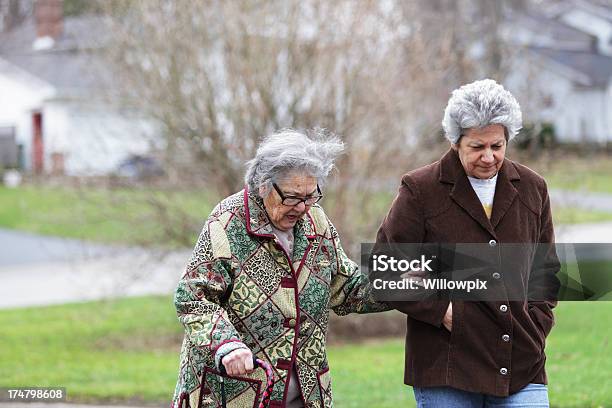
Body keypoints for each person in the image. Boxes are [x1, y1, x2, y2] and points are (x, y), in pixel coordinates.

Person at [376, 79, 560, 407]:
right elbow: (384, 269)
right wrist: (444, 312)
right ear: (455, 141)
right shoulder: (420, 190)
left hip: (522, 362)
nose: (489, 157)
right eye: (477, 147)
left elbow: (545, 270)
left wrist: (536, 322)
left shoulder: (534, 188)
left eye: (497, 146)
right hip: (446, 365)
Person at [171, 129, 387, 408]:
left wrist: (409, 280)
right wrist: (226, 345)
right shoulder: (227, 223)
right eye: (292, 197)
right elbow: (192, 297)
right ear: (263, 184)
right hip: (237, 395)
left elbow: (346, 288)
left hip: (305, 396)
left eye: (311, 196)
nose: (302, 207)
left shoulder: (316, 223)